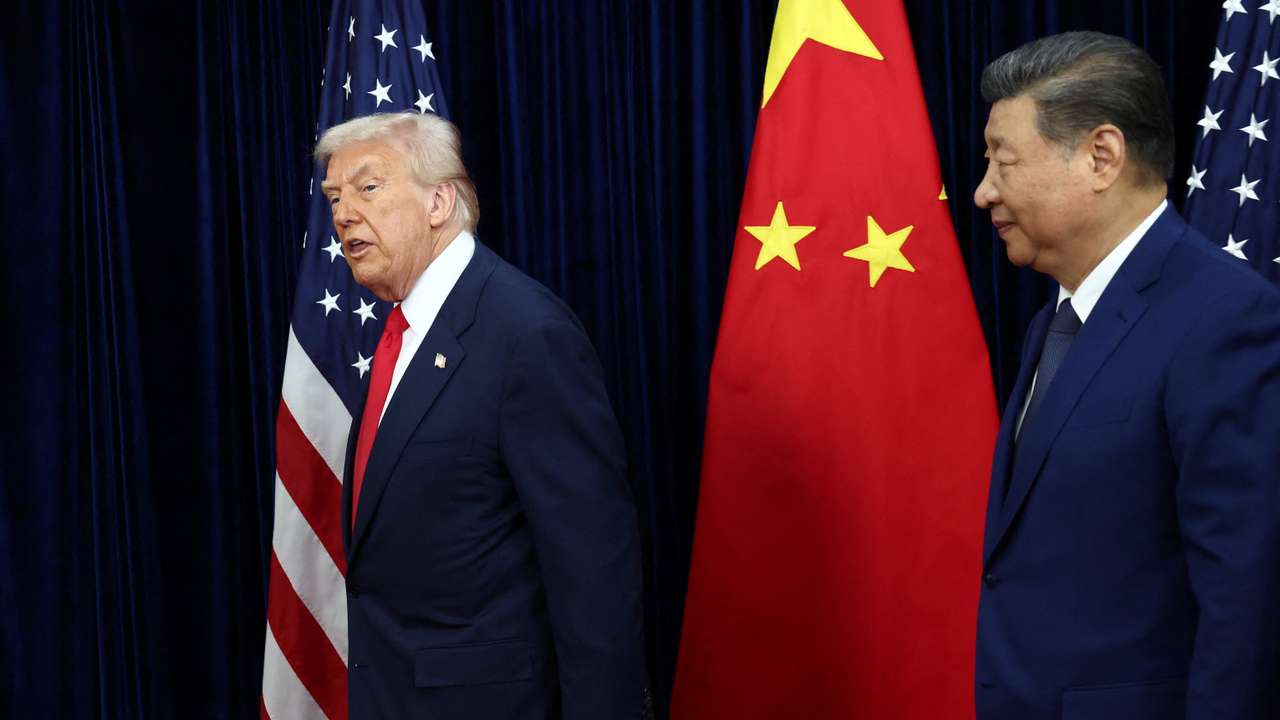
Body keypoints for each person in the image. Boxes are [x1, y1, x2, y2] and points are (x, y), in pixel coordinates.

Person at [972, 31, 1280, 719]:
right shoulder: (1055, 320)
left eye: (1002, 160)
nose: (983, 191)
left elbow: (1248, 603)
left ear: (1101, 156)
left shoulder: (1226, 320)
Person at [315, 112, 649, 719]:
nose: (342, 214)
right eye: (335, 197)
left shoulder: (526, 334)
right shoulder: (400, 332)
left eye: (368, 188)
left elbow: (593, 568)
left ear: (439, 201)